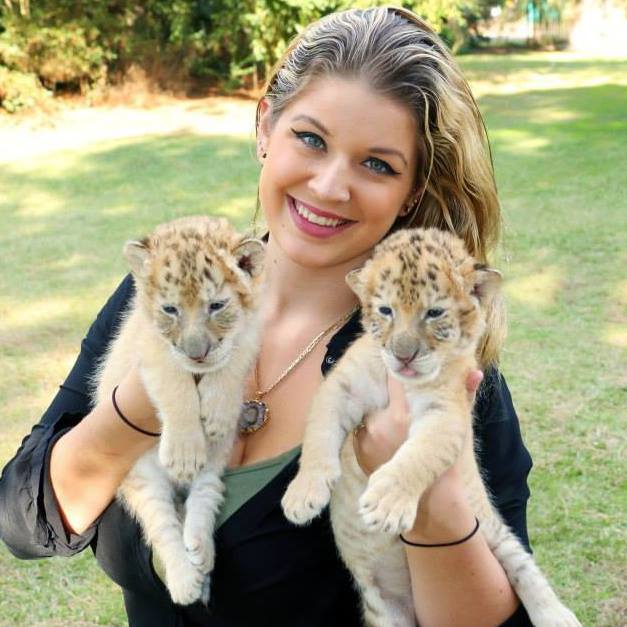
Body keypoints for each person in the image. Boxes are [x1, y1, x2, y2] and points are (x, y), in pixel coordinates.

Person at [0, 7, 534, 627]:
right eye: (311, 139)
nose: (332, 185)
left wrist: (432, 494)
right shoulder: (161, 300)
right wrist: (140, 409)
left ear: (411, 190)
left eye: (378, 164)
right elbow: (23, 524)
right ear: (265, 126)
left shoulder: (432, 375)